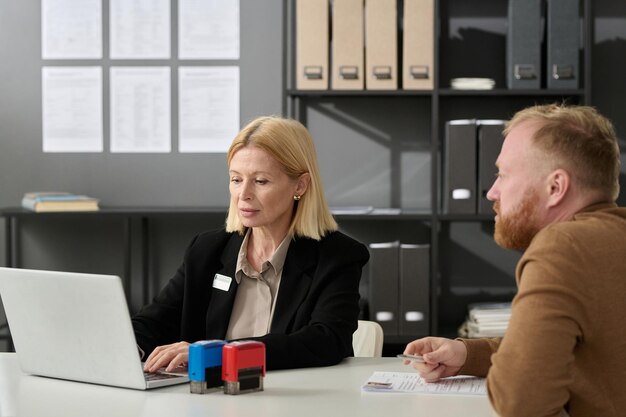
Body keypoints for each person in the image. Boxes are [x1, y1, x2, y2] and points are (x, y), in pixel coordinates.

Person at [403, 104, 626, 416]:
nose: (493, 192)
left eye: (503, 174)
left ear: (555, 187)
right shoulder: (612, 239)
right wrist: (467, 354)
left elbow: (519, 402)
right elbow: (568, 348)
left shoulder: (564, 246)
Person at [133, 116, 369, 372]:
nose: (243, 194)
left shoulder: (338, 256)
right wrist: (126, 347)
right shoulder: (207, 250)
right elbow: (154, 321)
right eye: (236, 179)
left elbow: (325, 341)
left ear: (300, 185)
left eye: (260, 181)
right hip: (212, 400)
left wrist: (219, 354)